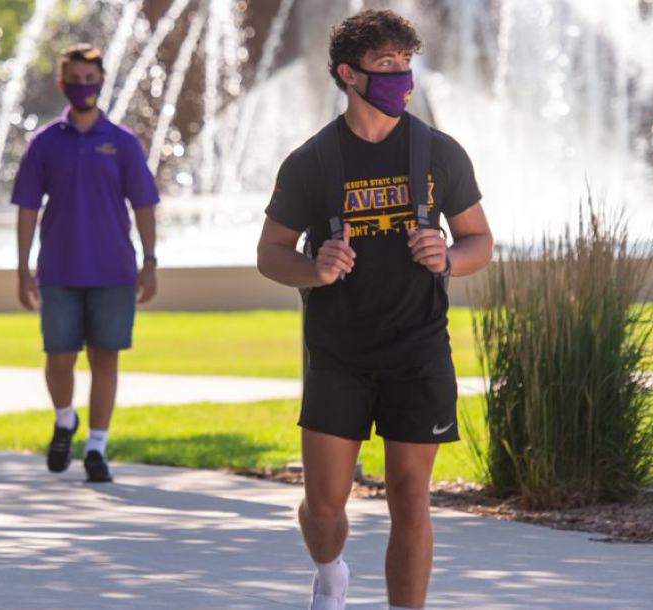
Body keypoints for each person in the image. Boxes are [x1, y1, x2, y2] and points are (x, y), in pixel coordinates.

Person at [255, 10, 493, 610]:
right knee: (325, 505)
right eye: (386, 65)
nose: (401, 77)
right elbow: (269, 254)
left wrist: (447, 257)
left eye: (406, 64)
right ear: (349, 75)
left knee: (411, 498)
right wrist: (315, 268)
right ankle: (330, 572)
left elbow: (478, 242)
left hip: (418, 350)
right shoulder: (311, 162)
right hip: (338, 354)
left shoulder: (439, 153)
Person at [11, 43, 161, 484]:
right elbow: (26, 209)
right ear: (62, 85)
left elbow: (145, 206)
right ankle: (64, 419)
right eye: (74, 81)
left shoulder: (123, 142)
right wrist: (23, 269)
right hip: (57, 270)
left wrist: (150, 262)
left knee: (105, 359)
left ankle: (97, 447)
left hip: (114, 271)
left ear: (102, 83)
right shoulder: (43, 143)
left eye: (90, 81)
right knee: (59, 359)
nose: (83, 88)